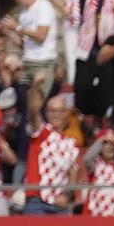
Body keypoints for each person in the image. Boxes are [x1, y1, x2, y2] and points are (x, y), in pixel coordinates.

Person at [23, 76, 79, 215]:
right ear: (47, 113)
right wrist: (35, 86)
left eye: (60, 111)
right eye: (52, 111)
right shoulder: (42, 132)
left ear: (66, 113)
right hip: (37, 200)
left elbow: (73, 174)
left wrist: (67, 196)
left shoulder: (71, 143)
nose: (56, 115)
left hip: (60, 203)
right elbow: (33, 112)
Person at [2, 0, 59, 86]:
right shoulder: (23, 13)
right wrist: (7, 33)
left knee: (39, 95)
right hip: (27, 61)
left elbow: (41, 36)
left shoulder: (44, 6)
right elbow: (24, 45)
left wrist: (16, 28)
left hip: (44, 62)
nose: (16, 1)